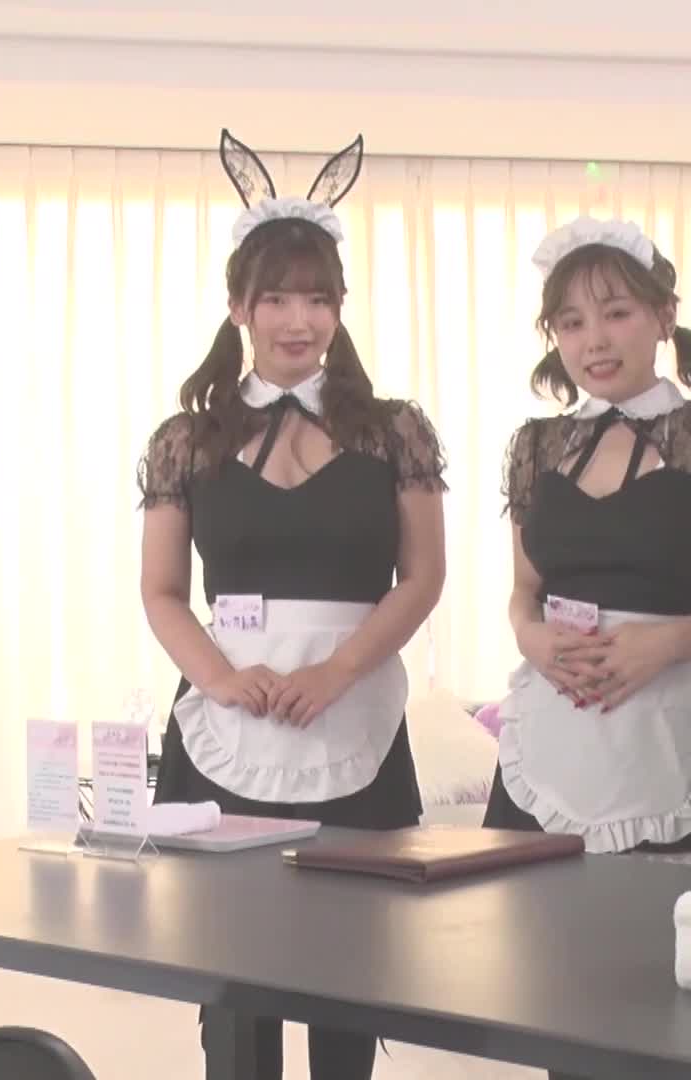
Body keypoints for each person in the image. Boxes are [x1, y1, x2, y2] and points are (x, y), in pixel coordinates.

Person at [136, 129, 447, 1080]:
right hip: (226, 728)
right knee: (233, 987)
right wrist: (222, 680)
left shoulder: (395, 432)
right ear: (239, 307)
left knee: (349, 977)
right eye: (275, 298)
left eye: (317, 299)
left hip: (353, 717)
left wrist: (336, 673)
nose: (297, 319)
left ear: (340, 310)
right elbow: (160, 590)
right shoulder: (186, 440)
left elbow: (423, 578)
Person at [483, 217, 691, 872]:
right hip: (556, 717)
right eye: (571, 323)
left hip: (671, 712)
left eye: (616, 313)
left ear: (664, 316)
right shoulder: (536, 445)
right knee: (532, 918)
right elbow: (524, 590)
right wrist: (530, 638)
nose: (594, 340)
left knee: (672, 919)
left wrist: (666, 643)